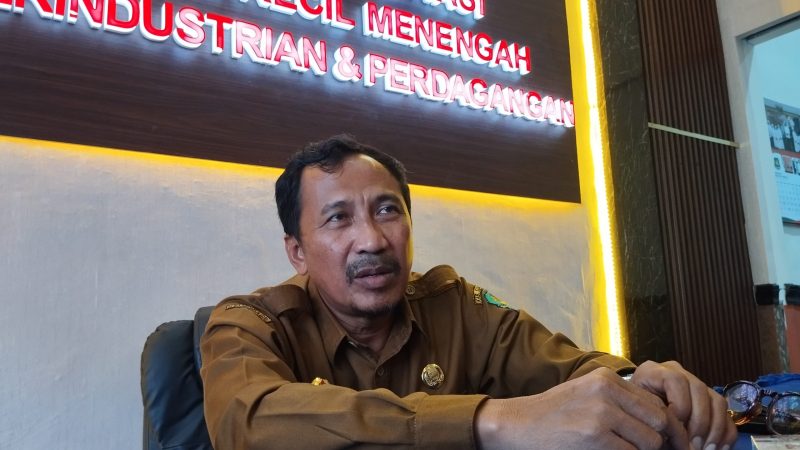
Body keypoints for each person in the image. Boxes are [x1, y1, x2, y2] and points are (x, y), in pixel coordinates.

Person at [200, 134, 737, 450]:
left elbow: (567, 371)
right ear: (297, 251)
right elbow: (246, 423)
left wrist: (635, 384)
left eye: (388, 210)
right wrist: (489, 421)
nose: (373, 239)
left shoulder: (454, 305)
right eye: (339, 218)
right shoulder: (250, 322)